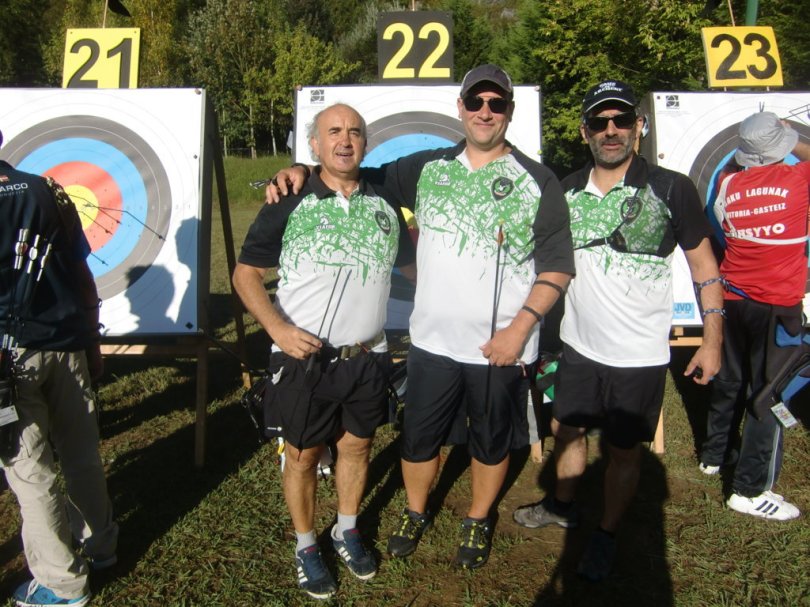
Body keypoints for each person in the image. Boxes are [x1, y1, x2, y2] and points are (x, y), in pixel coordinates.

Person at [267, 64, 575, 569]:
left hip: (501, 347)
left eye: (496, 104)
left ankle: (478, 518)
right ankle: (415, 511)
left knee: (491, 442)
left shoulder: (538, 180)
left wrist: (519, 330)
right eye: (475, 102)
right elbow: (350, 171)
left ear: (509, 112)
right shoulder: (429, 167)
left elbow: (558, 266)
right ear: (461, 107)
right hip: (431, 343)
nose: (485, 112)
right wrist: (299, 168)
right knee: (419, 439)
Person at [512, 80, 724, 581]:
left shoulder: (671, 188)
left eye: (621, 120)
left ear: (638, 126)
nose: (611, 130)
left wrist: (712, 340)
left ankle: (605, 534)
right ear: (584, 131)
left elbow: (704, 266)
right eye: (600, 121)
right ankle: (562, 505)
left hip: (639, 356)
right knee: (566, 431)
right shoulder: (565, 190)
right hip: (578, 347)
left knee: (624, 451)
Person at [232, 103, 416, 600]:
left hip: (369, 355)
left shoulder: (383, 198)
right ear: (314, 145)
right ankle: (307, 544)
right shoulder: (289, 198)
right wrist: (277, 330)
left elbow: (412, 267)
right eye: (333, 131)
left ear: (366, 143)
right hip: (304, 359)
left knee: (357, 446)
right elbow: (245, 275)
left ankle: (347, 528)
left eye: (354, 132)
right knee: (303, 455)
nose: (345, 140)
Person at [0, 130, 118, 607]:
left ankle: (62, 584)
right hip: (67, 343)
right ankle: (101, 546)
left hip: (11, 360)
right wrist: (91, 341)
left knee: (32, 472)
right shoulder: (46, 191)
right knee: (81, 452)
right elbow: (81, 272)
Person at [699, 111, 810, 520]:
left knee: (730, 378)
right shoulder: (799, 179)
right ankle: (749, 489)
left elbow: (730, 165)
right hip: (778, 307)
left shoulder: (727, 183)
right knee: (771, 393)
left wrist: (754, 143)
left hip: (733, 299)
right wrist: (789, 136)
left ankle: (714, 456)